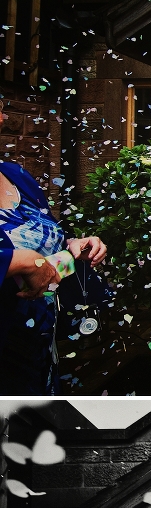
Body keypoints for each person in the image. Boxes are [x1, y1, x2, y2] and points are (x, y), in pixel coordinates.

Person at [0, 111, 107, 396]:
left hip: (40, 345)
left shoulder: (15, 175)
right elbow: (26, 259)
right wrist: (19, 261)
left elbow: (43, 247)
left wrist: (73, 247)